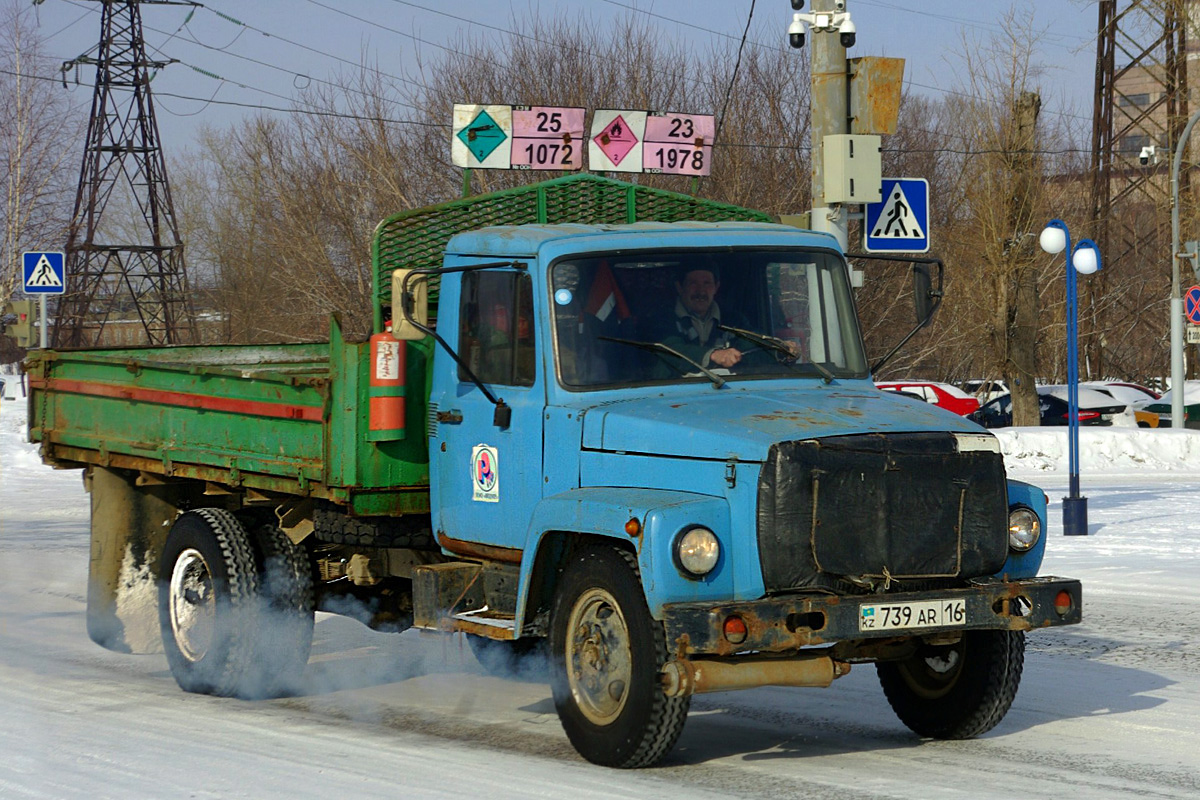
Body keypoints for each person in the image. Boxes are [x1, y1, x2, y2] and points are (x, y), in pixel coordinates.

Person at [655, 266, 746, 369]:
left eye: (707, 283)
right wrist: (712, 355)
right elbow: (670, 349)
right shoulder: (660, 319)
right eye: (693, 283)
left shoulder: (734, 320)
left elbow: (757, 347)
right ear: (680, 287)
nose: (701, 291)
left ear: (716, 287)